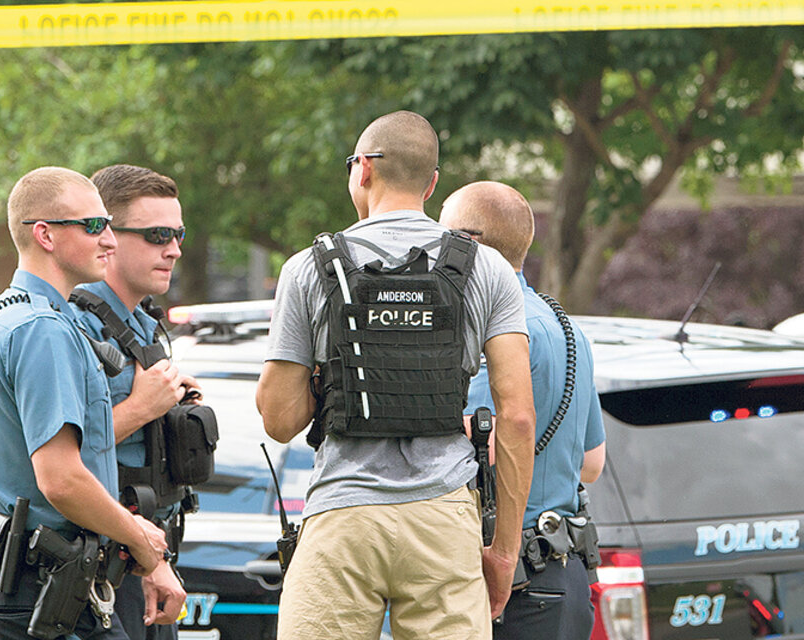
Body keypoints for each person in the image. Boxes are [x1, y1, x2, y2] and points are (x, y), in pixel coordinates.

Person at [256, 111, 536, 639]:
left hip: (341, 515)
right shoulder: (489, 269)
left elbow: (278, 419)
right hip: (444, 517)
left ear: (362, 169)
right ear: (432, 183)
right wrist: (503, 552)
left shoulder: (308, 269)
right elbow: (517, 417)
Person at [0, 167, 170, 640]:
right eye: (93, 226)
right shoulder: (43, 330)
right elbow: (61, 480)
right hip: (34, 588)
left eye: (108, 224)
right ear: (45, 235)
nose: (108, 240)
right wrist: (141, 541)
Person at [440, 181, 606, 640]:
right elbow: (591, 464)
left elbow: (481, 447)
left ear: (466, 244)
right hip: (562, 574)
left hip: (506, 580)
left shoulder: (491, 334)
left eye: (441, 240)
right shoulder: (567, 329)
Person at [72, 164, 193, 640]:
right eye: (158, 234)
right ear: (108, 236)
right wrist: (142, 407)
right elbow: (55, 462)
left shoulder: (144, 324)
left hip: (146, 558)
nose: (175, 249)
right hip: (98, 563)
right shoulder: (73, 327)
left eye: (178, 233)